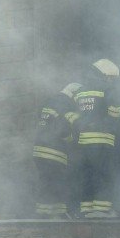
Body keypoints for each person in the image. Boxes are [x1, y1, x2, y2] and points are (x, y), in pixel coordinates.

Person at [75, 59, 120, 218]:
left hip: (84, 141)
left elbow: (77, 116)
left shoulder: (80, 91)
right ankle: (101, 210)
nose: (111, 80)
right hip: (102, 139)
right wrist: (112, 124)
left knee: (88, 174)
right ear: (104, 75)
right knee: (103, 173)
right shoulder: (107, 89)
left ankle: (86, 209)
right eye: (110, 77)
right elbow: (115, 111)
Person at [31, 83, 81, 218]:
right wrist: (73, 138)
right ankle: (60, 214)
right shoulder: (66, 104)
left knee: (46, 181)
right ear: (74, 95)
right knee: (59, 181)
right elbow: (65, 128)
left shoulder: (50, 101)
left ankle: (44, 214)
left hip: (38, 149)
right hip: (55, 150)